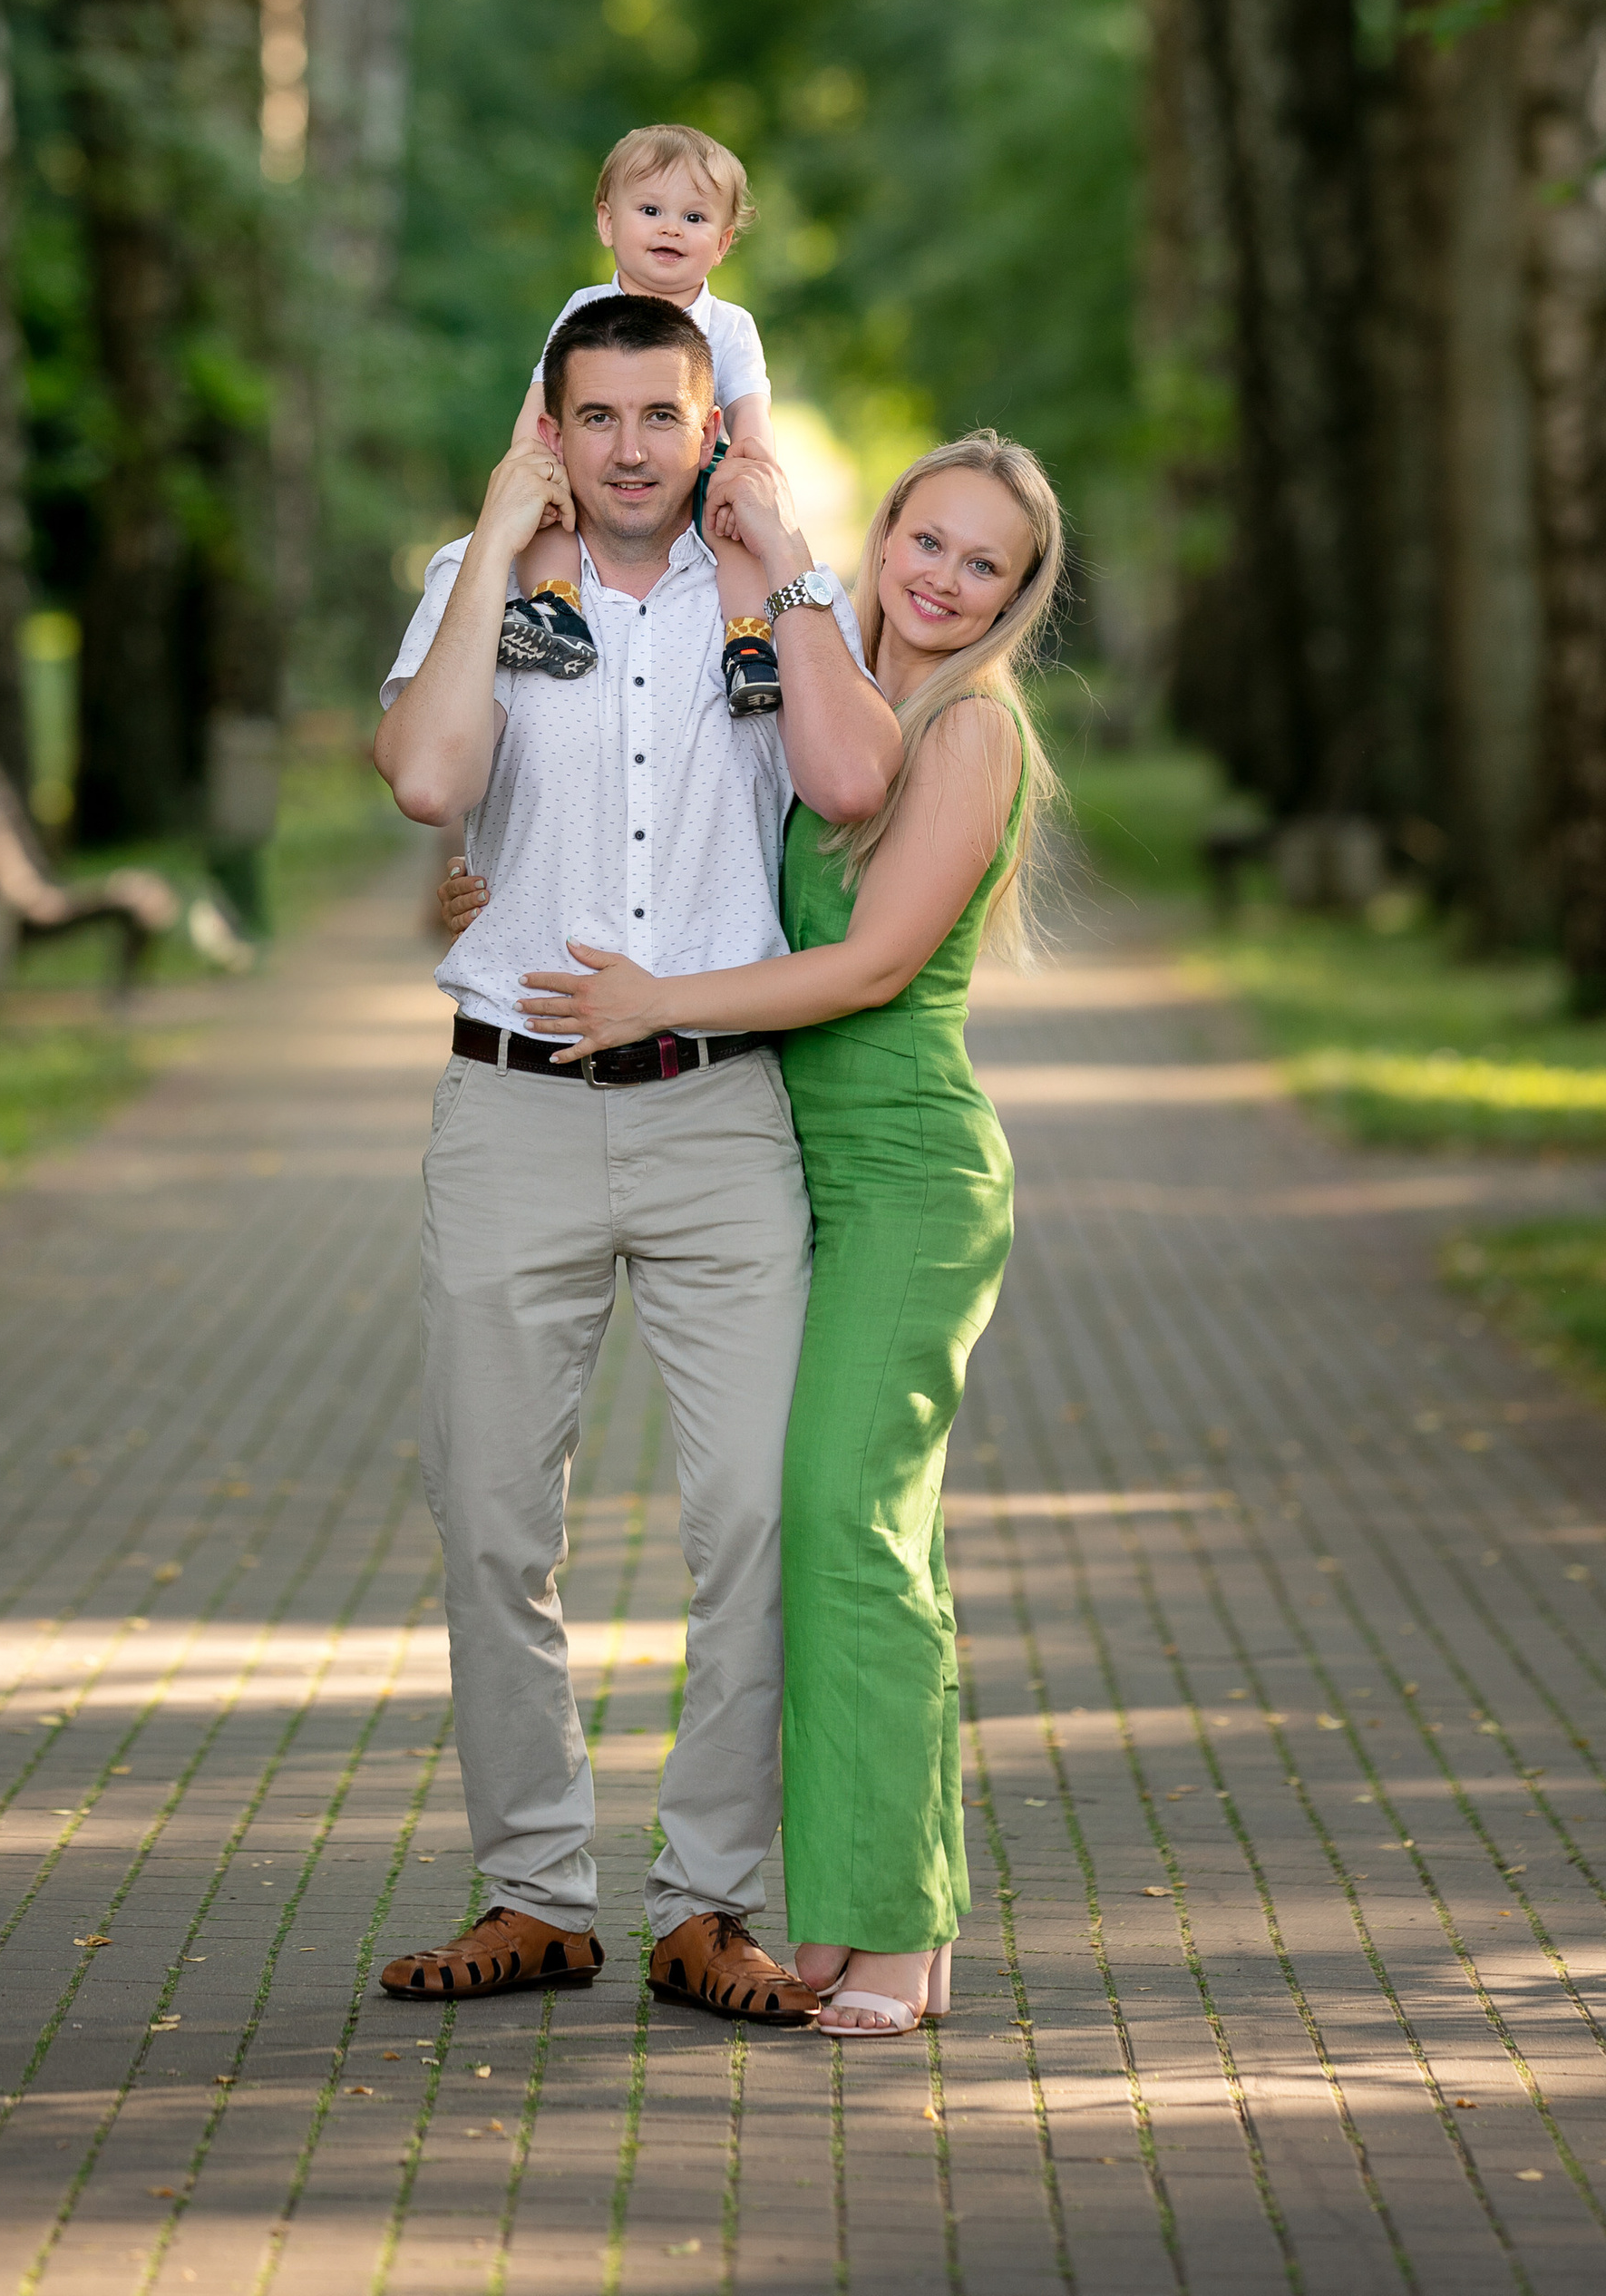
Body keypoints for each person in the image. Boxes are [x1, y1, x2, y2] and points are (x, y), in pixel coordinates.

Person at [443, 431, 1063, 2039]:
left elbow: (860, 972)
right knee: (830, 1532)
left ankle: (905, 1933)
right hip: (802, 1163)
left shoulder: (976, 730)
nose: (939, 576)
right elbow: (672, 833)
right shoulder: (836, 687)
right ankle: (843, 1920)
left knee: (851, 1525)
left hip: (912, 1178)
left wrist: (660, 1005)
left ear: (1017, 596)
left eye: (981, 563)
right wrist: (503, 888)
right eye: (926, 538)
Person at [373, 290, 901, 2024]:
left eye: (656, 419)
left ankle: (710, 1905)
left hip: (716, 1116)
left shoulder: (764, 592)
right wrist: (492, 537)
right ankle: (535, 1892)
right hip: (511, 1111)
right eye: (591, 418)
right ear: (550, 419)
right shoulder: (483, 582)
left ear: (709, 423)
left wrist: (796, 563)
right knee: (491, 1524)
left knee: (754, 1514)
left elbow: (844, 787)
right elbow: (427, 776)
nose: (624, 450)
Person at [499, 122, 789, 715]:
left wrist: (751, 471)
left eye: (694, 218)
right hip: (595, 467)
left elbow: (750, 417)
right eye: (651, 209)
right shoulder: (585, 309)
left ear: (723, 241)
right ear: (608, 223)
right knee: (549, 513)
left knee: (734, 526)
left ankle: (748, 641)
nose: (669, 228)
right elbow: (542, 399)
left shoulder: (729, 325)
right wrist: (529, 463)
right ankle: (557, 607)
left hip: (699, 469)